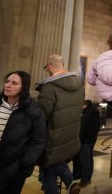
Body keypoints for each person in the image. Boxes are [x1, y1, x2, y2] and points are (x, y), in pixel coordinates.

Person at [36, 54, 84, 194]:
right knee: (55, 163)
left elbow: (42, 115)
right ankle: (70, 183)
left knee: (48, 173)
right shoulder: (79, 84)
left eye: (46, 67)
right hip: (70, 136)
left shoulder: (49, 86)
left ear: (49, 65)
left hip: (52, 136)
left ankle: (70, 182)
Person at [0, 71, 46, 194]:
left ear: (23, 87)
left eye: (14, 83)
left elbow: (38, 141)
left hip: (11, 170)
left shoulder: (34, 112)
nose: (8, 85)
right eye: (7, 82)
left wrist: (23, 165)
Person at [72, 99, 101, 187]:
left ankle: (84, 180)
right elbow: (98, 127)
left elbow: (82, 130)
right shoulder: (96, 114)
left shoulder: (86, 115)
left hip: (85, 141)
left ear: (85, 105)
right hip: (92, 140)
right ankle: (88, 178)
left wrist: (79, 140)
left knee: (84, 162)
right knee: (89, 160)